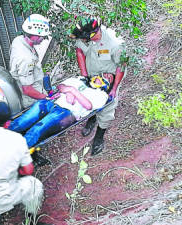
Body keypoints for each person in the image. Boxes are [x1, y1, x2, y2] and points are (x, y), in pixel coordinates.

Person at [70, 16, 126, 155]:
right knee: (89, 100)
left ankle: (99, 137)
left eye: (84, 38)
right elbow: (79, 50)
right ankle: (92, 118)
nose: (82, 40)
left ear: (94, 33)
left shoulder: (116, 44)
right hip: (91, 76)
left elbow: (122, 67)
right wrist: (84, 75)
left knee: (107, 108)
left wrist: (113, 89)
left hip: (110, 77)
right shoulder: (86, 35)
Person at [7, 76, 109, 148]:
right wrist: (69, 91)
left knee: (35, 131)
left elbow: (88, 105)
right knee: (21, 122)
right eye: (103, 74)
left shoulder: (101, 95)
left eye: (109, 77)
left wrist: (73, 91)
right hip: (51, 102)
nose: (104, 76)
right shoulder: (79, 79)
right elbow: (60, 86)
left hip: (66, 112)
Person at [9, 14, 51, 108]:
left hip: (35, 86)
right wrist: (46, 98)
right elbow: (27, 90)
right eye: (42, 37)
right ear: (35, 36)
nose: (43, 39)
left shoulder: (19, 40)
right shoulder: (26, 59)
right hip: (32, 100)